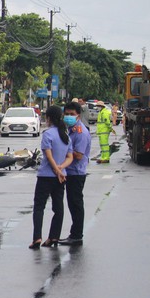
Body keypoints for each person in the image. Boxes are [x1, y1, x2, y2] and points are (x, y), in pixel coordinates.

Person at [30, 105, 73, 250]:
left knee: (39, 207)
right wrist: (61, 169)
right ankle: (54, 236)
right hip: (60, 178)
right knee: (58, 207)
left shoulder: (48, 134)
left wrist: (56, 169)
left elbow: (48, 156)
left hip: (46, 176)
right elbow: (70, 157)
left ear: (48, 118)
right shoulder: (65, 135)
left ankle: (37, 237)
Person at [60, 102, 91, 246]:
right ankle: (74, 233)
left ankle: (77, 235)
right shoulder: (70, 129)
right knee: (72, 204)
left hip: (76, 172)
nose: (68, 117)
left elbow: (78, 155)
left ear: (78, 115)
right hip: (70, 171)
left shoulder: (80, 132)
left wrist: (61, 154)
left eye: (72, 114)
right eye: (66, 114)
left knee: (76, 204)